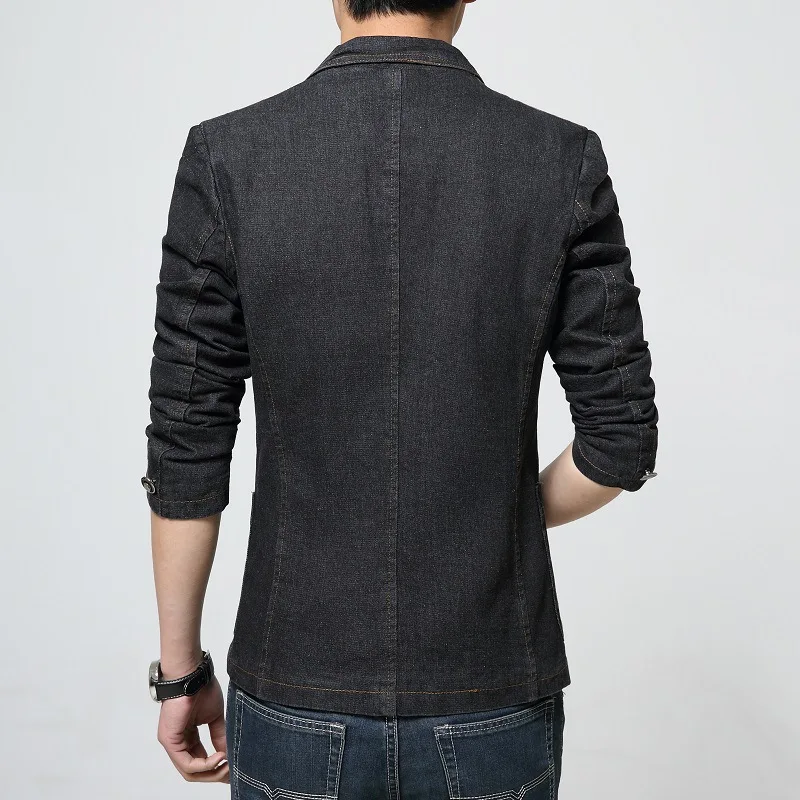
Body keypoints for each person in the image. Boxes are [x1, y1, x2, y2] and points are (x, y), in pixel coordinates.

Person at [142, 0, 659, 796]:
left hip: (294, 687)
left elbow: (187, 454)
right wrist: (490, 515)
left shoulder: (228, 158)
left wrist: (180, 677)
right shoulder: (560, 159)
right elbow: (620, 443)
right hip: (491, 686)